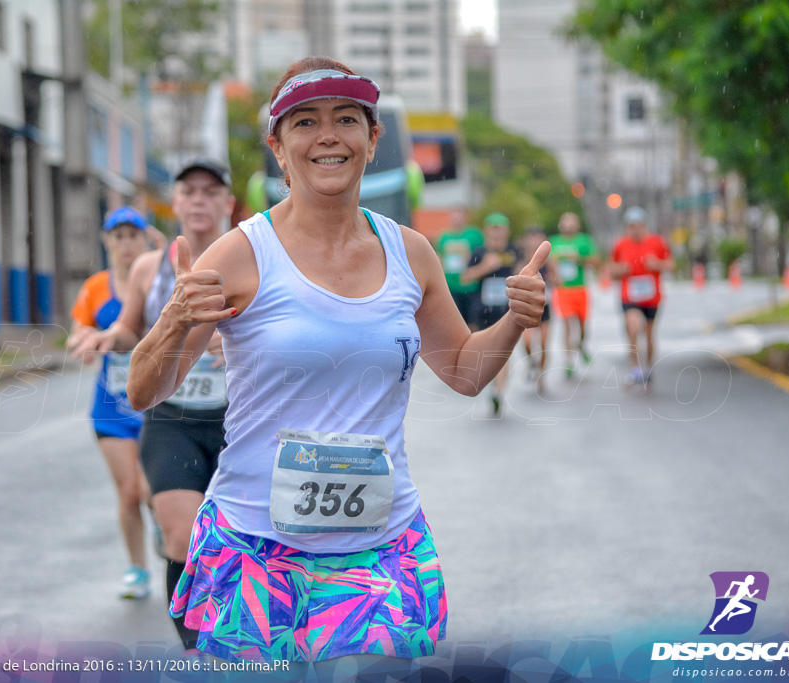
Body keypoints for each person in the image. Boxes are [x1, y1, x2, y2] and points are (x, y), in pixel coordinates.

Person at [121, 57, 548, 675]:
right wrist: (176, 319)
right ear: (277, 145)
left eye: (346, 120)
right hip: (254, 548)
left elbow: (462, 370)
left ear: (372, 141)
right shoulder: (241, 253)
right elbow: (142, 390)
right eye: (305, 122)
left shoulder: (412, 254)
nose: (327, 136)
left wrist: (512, 322)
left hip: (381, 548)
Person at [69, 160, 235, 655]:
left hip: (240, 421)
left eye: (212, 192)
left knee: (239, 542)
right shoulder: (149, 266)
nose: (200, 200)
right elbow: (129, 327)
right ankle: (194, 651)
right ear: (176, 203)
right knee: (181, 537)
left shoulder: (253, 258)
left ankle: (243, 642)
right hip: (172, 419)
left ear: (228, 204)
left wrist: (240, 346)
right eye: (189, 191)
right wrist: (107, 338)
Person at [69, 206, 152, 599]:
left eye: (133, 236)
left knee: (154, 491)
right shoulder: (96, 287)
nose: (126, 245)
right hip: (111, 407)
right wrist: (82, 343)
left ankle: (171, 542)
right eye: (118, 237)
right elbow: (78, 330)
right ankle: (137, 567)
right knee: (130, 492)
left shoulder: (156, 279)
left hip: (156, 403)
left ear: (145, 240)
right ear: (107, 243)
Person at [461, 212, 522, 416]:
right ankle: (490, 381)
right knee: (485, 352)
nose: (496, 234)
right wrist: (485, 267)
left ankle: (498, 391)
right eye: (493, 229)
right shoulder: (479, 252)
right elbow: (465, 277)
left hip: (506, 310)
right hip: (482, 309)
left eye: (500, 229)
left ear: (507, 232)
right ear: (487, 231)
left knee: (504, 351)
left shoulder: (514, 251)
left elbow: (525, 273)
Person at [609, 206, 675, 386]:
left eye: (637, 225)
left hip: (651, 297)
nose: (634, 229)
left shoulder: (657, 242)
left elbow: (671, 265)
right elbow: (611, 271)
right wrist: (621, 270)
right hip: (629, 296)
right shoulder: (620, 245)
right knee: (632, 327)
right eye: (631, 226)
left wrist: (656, 265)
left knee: (649, 333)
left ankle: (648, 368)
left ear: (644, 225)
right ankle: (634, 368)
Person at [549, 212, 599, 378]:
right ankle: (569, 361)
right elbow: (549, 265)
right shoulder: (554, 242)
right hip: (563, 290)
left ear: (577, 225)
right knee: (568, 324)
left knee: (583, 326)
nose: (568, 226)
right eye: (565, 222)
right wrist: (554, 275)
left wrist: (579, 258)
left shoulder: (584, 241)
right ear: (560, 225)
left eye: (572, 222)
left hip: (580, 288)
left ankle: (581, 344)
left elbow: (596, 262)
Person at [435, 209, 483, 331]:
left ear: (465, 217)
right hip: (451, 287)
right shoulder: (444, 237)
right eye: (454, 216)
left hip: (470, 286)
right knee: (455, 324)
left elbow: (482, 253)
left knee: (473, 323)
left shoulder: (474, 235)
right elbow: (439, 259)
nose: (456, 219)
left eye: (459, 216)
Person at [521, 225, 553, 391]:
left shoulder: (549, 260)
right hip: (527, 306)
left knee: (543, 343)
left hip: (545, 306)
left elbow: (557, 278)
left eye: (538, 239)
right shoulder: (522, 259)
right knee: (527, 342)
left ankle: (541, 374)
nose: (534, 243)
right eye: (532, 239)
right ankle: (531, 362)